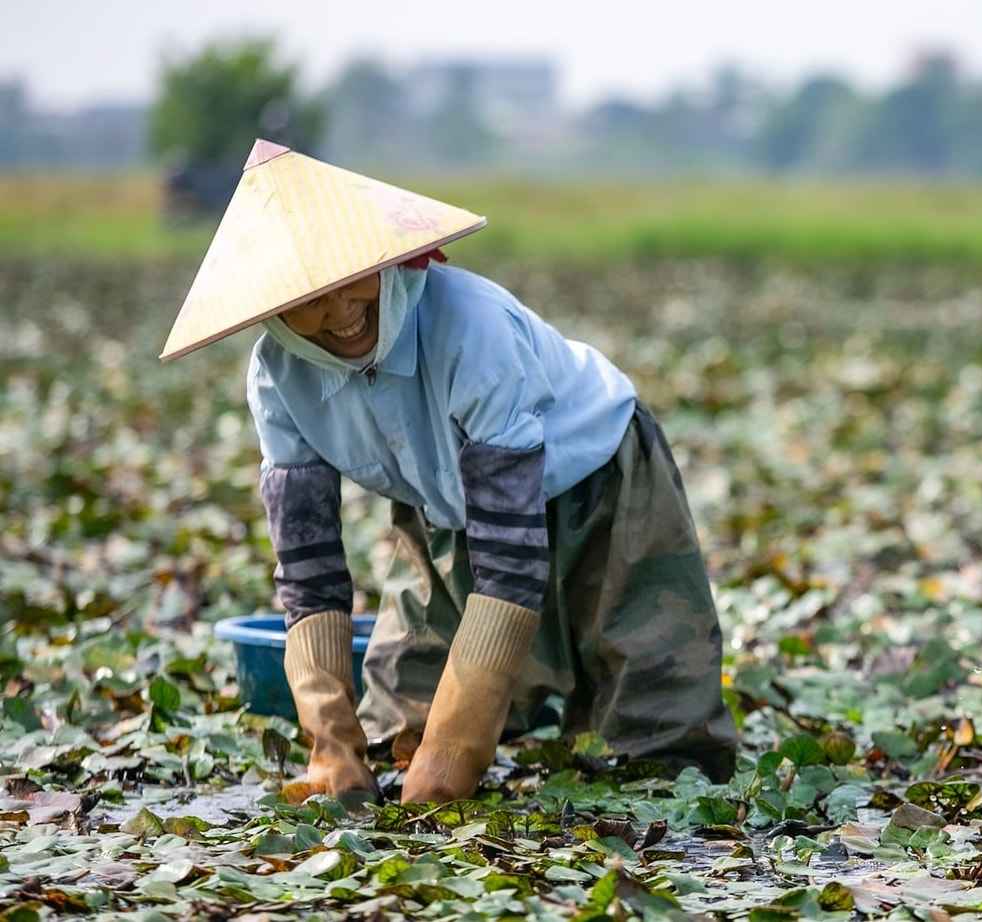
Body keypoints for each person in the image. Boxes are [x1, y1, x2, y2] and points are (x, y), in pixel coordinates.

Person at [161, 140, 738, 805]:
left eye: (354, 279)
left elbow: (511, 565)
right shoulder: (276, 377)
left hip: (598, 475)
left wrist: (452, 755)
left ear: (385, 261)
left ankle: (647, 779)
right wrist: (330, 744)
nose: (343, 312)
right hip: (444, 502)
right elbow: (310, 569)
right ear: (272, 312)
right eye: (309, 301)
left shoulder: (470, 325)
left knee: (652, 700)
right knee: (401, 717)